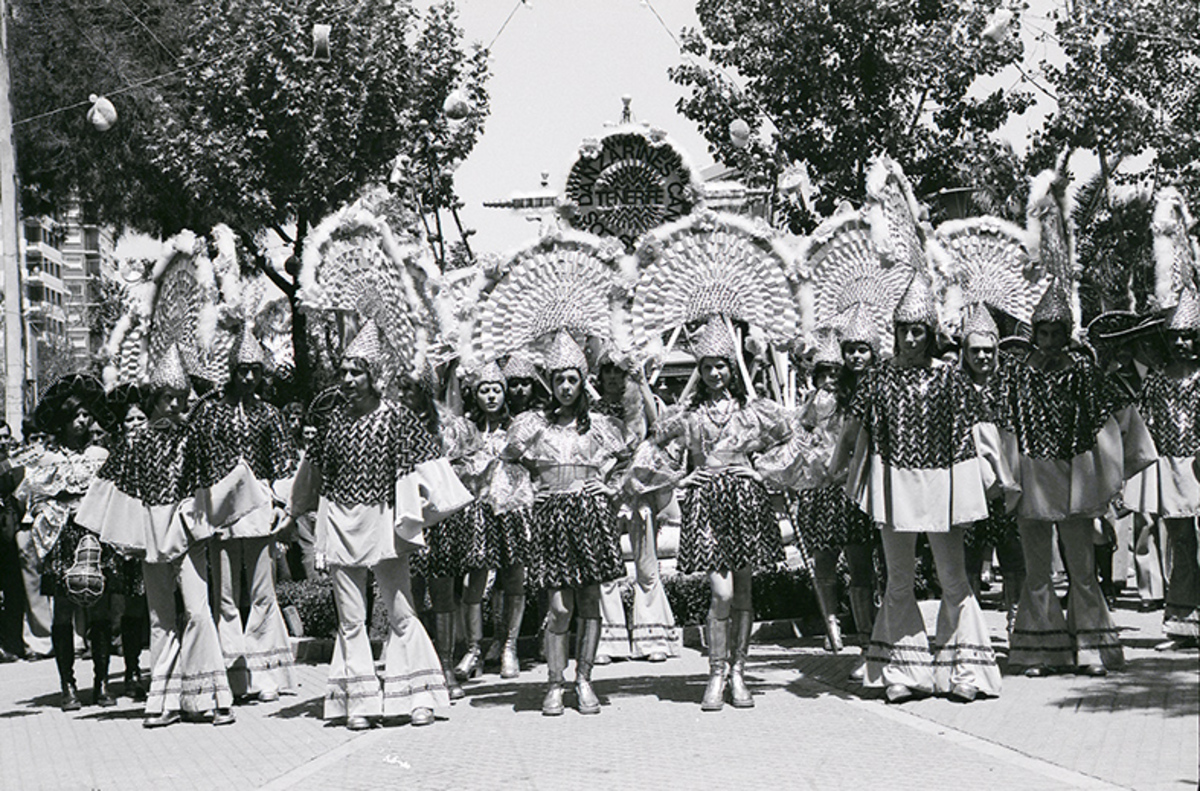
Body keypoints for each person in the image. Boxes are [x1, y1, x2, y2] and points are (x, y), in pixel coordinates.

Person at [832, 273, 1004, 703]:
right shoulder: (876, 379)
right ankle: (902, 670)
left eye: (919, 332)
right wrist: (833, 469)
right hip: (895, 488)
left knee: (953, 579)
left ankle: (964, 670)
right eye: (904, 331)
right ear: (893, 332)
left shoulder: (950, 378)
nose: (910, 339)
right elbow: (851, 432)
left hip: (943, 486)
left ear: (930, 334)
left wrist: (998, 475)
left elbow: (979, 430)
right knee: (898, 581)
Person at [289, 319, 454, 730]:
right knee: (350, 618)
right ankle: (358, 702)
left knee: (401, 611)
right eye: (342, 371)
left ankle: (417, 697)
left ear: (374, 376)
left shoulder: (398, 418)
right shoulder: (330, 423)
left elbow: (431, 470)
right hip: (340, 521)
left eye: (355, 371)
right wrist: (290, 511)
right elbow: (310, 477)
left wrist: (425, 512)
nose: (346, 379)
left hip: (383, 520)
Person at [998, 285, 1156, 677]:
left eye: (1057, 332)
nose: (1050, 341)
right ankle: (1041, 652)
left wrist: (1108, 476)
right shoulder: (1016, 374)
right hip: (1031, 477)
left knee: (1082, 571)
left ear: (1068, 332)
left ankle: (1091, 649)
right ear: (1033, 332)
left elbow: (1113, 414)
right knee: (1037, 572)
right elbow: (1002, 425)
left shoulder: (1083, 372)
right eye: (1043, 332)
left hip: (1074, 481)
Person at [78, 345, 234, 727]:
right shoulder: (137, 442)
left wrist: (261, 502)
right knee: (160, 618)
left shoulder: (196, 437)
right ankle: (164, 700)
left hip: (189, 535)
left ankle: (206, 697)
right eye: (168, 397)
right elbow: (110, 487)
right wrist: (102, 534)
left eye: (181, 398)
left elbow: (227, 472)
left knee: (199, 612)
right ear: (155, 399)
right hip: (151, 537)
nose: (176, 405)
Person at [654, 320, 790, 711]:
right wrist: (684, 477)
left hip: (744, 500)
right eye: (709, 366)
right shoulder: (688, 414)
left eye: (722, 365)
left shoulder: (751, 411)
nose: (715, 373)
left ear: (733, 367)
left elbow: (791, 437)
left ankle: (738, 672)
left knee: (744, 591)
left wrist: (760, 469)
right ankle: (715, 672)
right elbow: (658, 454)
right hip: (708, 502)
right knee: (722, 592)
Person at [506, 331, 630, 716]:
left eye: (571, 378)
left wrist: (608, 486)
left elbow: (628, 460)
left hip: (589, 516)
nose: (564, 386)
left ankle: (585, 680)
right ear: (550, 382)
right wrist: (533, 488)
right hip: (551, 518)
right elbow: (508, 460)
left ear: (582, 381)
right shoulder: (533, 426)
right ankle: (555, 682)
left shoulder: (600, 425)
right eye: (558, 378)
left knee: (591, 600)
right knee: (559, 608)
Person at [188, 324, 296, 701]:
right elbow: (197, 461)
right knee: (227, 597)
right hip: (222, 511)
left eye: (255, 370)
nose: (249, 377)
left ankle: (264, 675)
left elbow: (283, 461)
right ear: (231, 371)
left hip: (261, 507)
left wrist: (284, 505)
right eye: (242, 370)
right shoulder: (210, 412)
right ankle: (233, 674)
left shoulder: (270, 414)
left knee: (263, 594)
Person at [15, 374, 117, 710]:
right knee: (63, 611)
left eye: (87, 415)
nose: (83, 421)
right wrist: (53, 508)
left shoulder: (101, 454)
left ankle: (101, 683)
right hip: (61, 535)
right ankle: (67, 685)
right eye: (76, 416)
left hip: (94, 535)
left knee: (100, 605)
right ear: (64, 419)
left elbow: (113, 494)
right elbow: (30, 496)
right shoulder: (46, 458)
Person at [432, 362, 533, 691]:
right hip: (477, 512)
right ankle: (473, 649)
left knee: (514, 575)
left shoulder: (517, 426)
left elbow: (534, 463)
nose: (491, 395)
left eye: (496, 389)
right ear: (474, 394)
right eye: (484, 390)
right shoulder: (464, 428)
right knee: (475, 578)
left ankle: (509, 647)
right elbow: (448, 461)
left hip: (511, 509)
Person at [592, 357, 679, 664]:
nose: (614, 377)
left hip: (640, 494)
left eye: (620, 371)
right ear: (600, 375)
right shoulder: (592, 413)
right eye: (608, 371)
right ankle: (609, 642)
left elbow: (661, 434)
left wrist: (641, 383)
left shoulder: (642, 404)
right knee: (607, 569)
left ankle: (653, 638)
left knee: (647, 567)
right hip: (607, 496)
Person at [1126, 291, 1200, 650]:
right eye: (1175, 337)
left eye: (1188, 336)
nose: (1182, 343)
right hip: (1172, 468)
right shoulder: (1156, 380)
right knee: (1181, 545)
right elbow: (1146, 427)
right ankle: (1185, 626)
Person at [958, 306, 1026, 633]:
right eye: (975, 351)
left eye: (988, 350)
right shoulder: (954, 387)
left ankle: (1017, 626)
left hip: (1006, 482)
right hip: (968, 485)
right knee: (968, 557)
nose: (982, 357)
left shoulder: (1010, 385)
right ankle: (972, 633)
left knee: (1013, 555)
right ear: (964, 353)